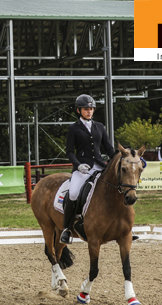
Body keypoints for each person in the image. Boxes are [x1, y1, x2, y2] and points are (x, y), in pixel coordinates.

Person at [61, 94, 116, 244]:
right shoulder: (73, 128)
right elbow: (70, 152)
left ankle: (125, 227)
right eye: (86, 109)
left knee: (117, 188)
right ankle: (66, 229)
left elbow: (109, 149)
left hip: (99, 166)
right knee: (72, 194)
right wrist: (77, 165)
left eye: (91, 109)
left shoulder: (100, 126)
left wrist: (119, 158)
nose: (89, 111)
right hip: (82, 168)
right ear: (79, 110)